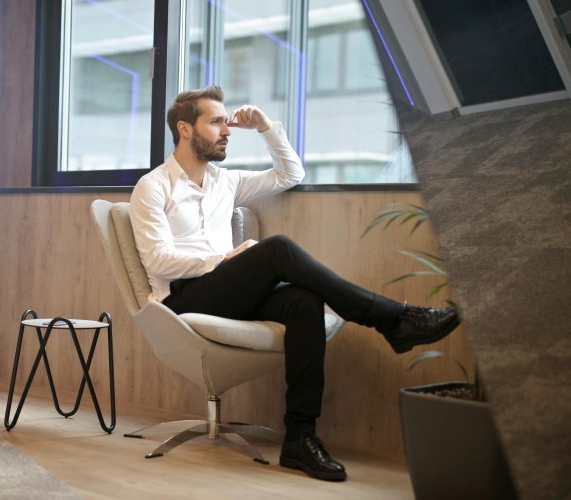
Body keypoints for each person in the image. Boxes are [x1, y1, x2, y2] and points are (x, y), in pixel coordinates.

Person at [129, 86, 460, 482]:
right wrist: (225, 258)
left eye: (226, 121)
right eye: (216, 122)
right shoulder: (153, 186)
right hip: (183, 299)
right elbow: (158, 261)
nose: (227, 130)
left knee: (303, 301)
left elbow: (291, 174)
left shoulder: (226, 181)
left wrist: (267, 128)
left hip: (225, 294)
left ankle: (300, 440)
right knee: (278, 249)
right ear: (184, 128)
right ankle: (393, 318)